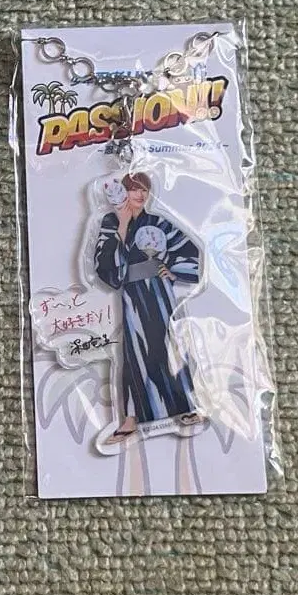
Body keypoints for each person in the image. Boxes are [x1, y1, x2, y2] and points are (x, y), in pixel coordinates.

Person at [94, 172, 204, 444]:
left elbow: (189, 250)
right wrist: (122, 224)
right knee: (135, 351)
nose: (140, 195)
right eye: (134, 189)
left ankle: (187, 406)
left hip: (160, 293)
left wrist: (173, 271)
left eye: (144, 189)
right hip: (133, 294)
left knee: (170, 344)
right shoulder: (111, 222)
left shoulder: (158, 222)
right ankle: (132, 418)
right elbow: (105, 265)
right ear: (123, 192)